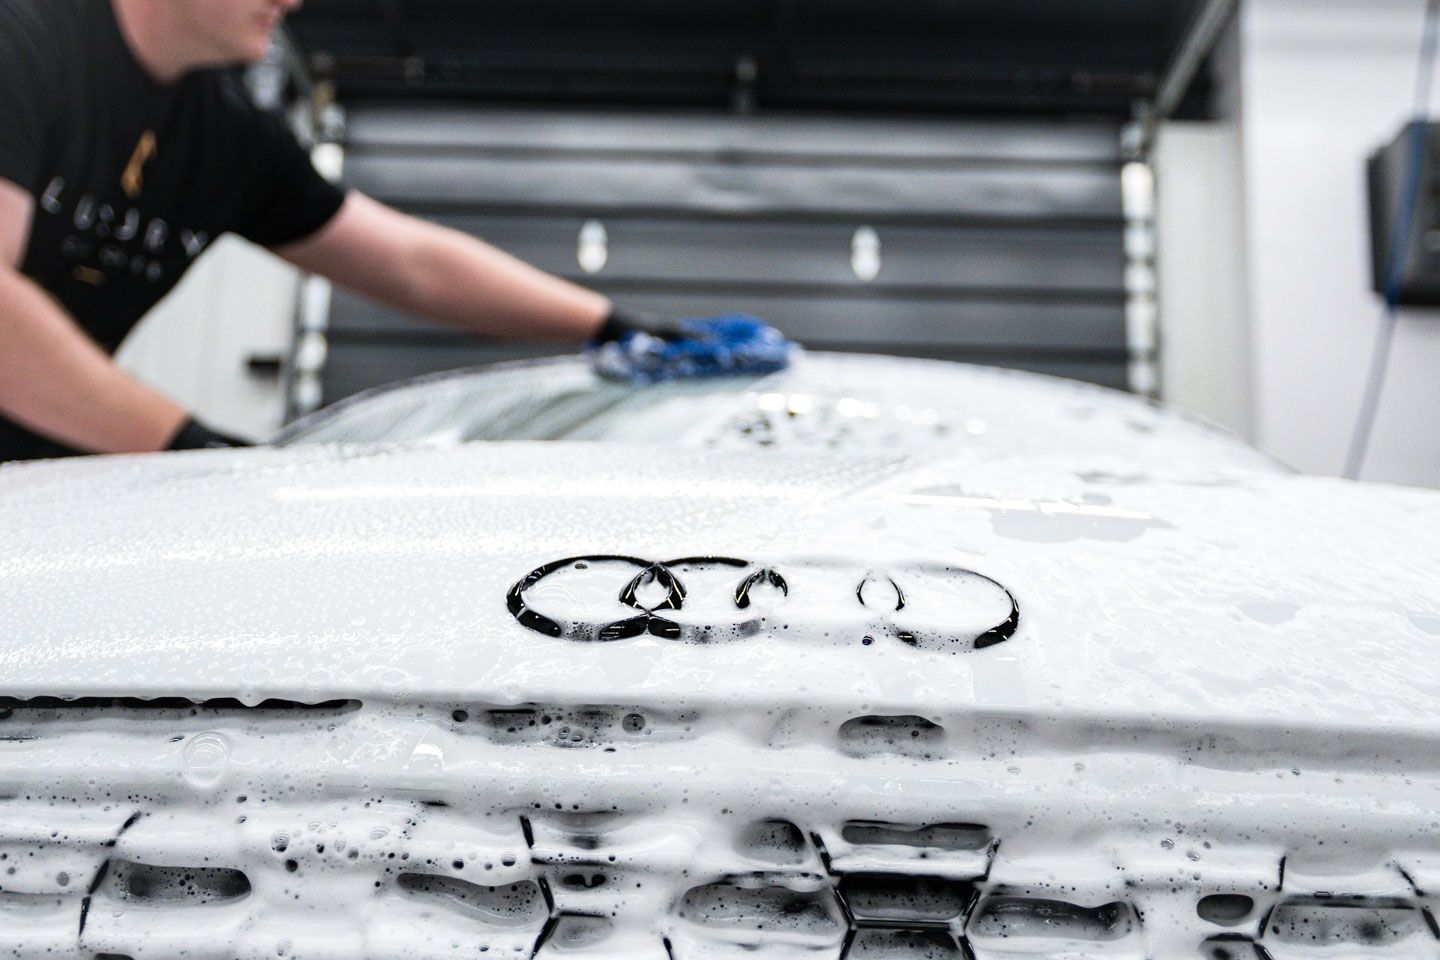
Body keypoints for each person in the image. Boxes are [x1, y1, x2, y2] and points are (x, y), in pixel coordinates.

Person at [0, 0, 765, 462]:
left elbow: (411, 262)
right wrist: (193, 455)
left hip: (40, 480)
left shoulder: (225, 132)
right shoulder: (25, 40)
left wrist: (610, 325)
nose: (294, 1)